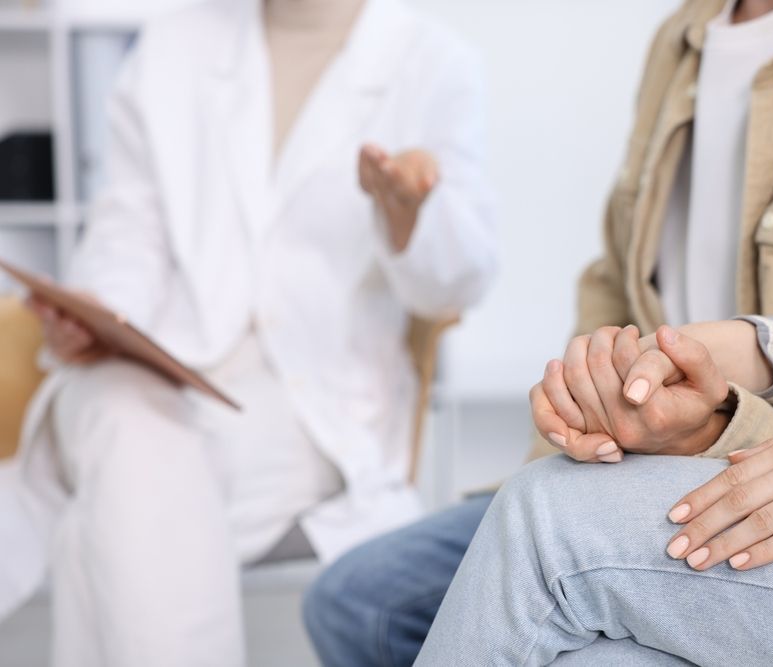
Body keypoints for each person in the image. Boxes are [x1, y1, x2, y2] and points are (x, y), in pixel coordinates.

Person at [303, 0, 773, 663]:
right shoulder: (684, 35)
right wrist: (616, 394)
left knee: (550, 530)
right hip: (658, 448)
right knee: (361, 601)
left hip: (770, 460)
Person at [0, 0, 496, 665]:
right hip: (152, 371)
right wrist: (95, 318)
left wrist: (411, 218)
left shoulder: (435, 63)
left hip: (306, 405)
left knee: (111, 499)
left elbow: (461, 281)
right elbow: (126, 234)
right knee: (120, 411)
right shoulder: (171, 48)